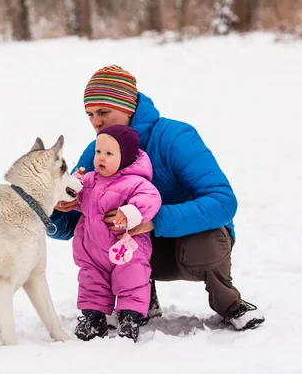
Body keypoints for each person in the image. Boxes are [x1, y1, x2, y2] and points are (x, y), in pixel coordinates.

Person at [50, 65, 265, 331]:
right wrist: (54, 208)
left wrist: (154, 220)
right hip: (135, 252)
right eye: (90, 114)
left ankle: (230, 305)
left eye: (104, 112)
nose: (96, 122)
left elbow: (223, 201)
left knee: (204, 244)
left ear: (128, 107)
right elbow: (73, 224)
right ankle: (140, 304)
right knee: (97, 234)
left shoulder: (176, 137)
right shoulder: (98, 152)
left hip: (192, 245)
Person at [71, 125, 161, 343]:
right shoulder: (90, 180)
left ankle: (130, 317)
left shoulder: (136, 182)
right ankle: (94, 318)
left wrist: (131, 212)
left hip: (126, 248)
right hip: (92, 250)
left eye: (109, 153)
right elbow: (75, 193)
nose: (101, 158)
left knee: (132, 279)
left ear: (126, 157)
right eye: (98, 152)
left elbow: (150, 199)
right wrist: (68, 192)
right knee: (91, 281)